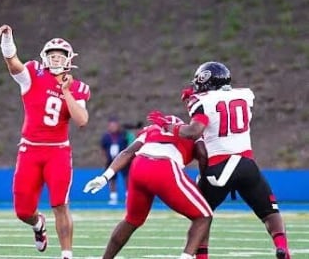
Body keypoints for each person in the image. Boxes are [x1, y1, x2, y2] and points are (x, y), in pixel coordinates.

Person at [149, 61, 292, 259]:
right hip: (246, 164)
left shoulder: (200, 101)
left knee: (201, 217)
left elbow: (194, 131)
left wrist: (168, 126)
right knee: (270, 213)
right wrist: (195, 97)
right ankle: (282, 247)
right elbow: (221, 106)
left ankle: (201, 257)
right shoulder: (245, 95)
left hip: (219, 167)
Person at [0, 25, 90, 259]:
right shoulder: (32, 75)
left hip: (57, 152)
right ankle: (38, 224)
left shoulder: (77, 87)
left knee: (60, 205)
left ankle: (67, 254)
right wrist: (7, 39)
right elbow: (12, 63)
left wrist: (66, 91)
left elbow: (82, 120)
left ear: (69, 60)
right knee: (22, 211)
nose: (56, 59)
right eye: (52, 55)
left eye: (60, 56)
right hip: (29, 151)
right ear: (44, 58)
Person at [84, 115, 212, 259]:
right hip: (164, 167)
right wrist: (204, 177)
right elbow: (203, 154)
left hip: (139, 166)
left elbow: (127, 152)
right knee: (203, 217)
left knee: (132, 220)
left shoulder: (151, 130)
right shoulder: (190, 133)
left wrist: (104, 177)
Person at [99, 116, 132, 205]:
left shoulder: (123, 134)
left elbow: (129, 145)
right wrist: (105, 158)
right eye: (111, 125)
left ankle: (128, 196)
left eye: (114, 125)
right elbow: (103, 148)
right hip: (111, 160)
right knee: (111, 178)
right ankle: (113, 197)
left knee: (127, 177)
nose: (113, 127)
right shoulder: (106, 137)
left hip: (123, 159)